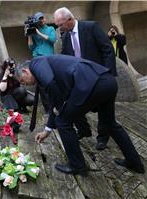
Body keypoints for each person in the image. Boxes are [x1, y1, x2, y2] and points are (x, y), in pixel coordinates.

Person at [15, 54, 145, 175]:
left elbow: (50, 85)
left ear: (26, 71)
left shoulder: (36, 63)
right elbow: (55, 101)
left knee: (63, 122)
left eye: (22, 81)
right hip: (107, 81)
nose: (24, 85)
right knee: (110, 123)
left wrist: (61, 110)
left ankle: (78, 166)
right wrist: (48, 130)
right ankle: (134, 162)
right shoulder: (48, 68)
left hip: (92, 84)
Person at [54, 7, 116, 150]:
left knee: (105, 110)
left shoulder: (91, 27)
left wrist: (108, 74)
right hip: (81, 79)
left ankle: (102, 138)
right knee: (73, 104)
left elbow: (107, 49)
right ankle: (84, 130)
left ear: (70, 19)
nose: (59, 28)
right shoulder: (65, 37)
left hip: (100, 76)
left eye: (60, 24)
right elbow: (65, 57)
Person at [27, 11, 57, 114]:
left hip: (49, 58)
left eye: (42, 18)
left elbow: (53, 40)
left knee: (52, 82)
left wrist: (39, 33)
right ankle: (48, 109)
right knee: (41, 85)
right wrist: (30, 35)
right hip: (38, 58)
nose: (41, 20)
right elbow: (31, 47)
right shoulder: (34, 31)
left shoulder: (50, 29)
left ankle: (56, 104)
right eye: (39, 19)